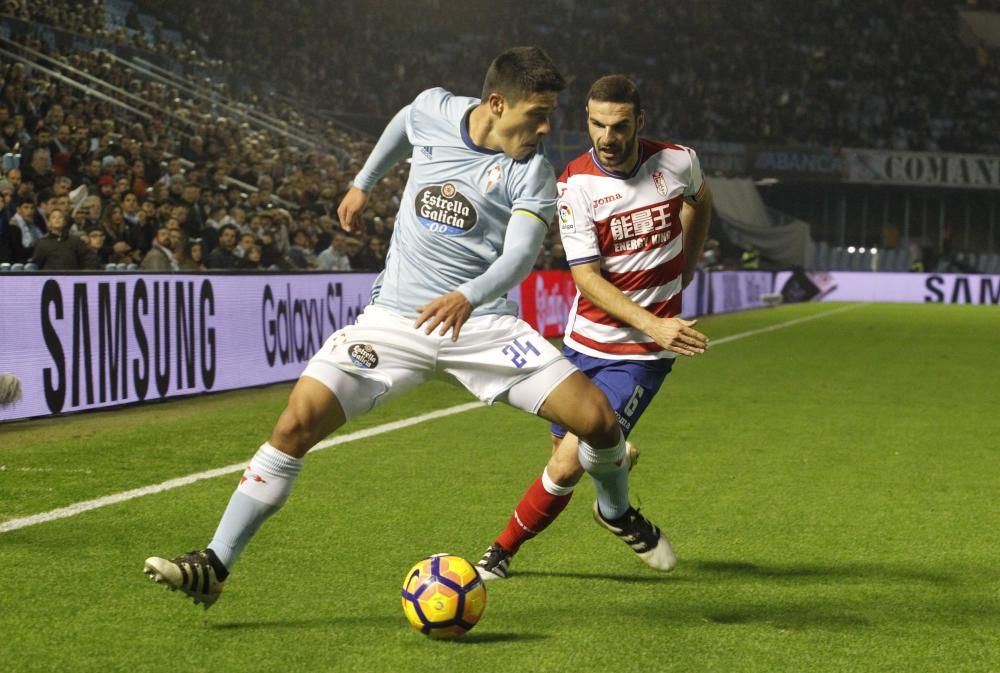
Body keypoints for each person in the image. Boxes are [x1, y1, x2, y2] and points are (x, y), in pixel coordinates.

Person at [144, 47, 680, 609]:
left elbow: (520, 256)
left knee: (597, 421)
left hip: (483, 326)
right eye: (536, 114)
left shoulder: (533, 171)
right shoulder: (435, 111)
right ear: (496, 104)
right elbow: (404, 121)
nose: (547, 128)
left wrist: (467, 296)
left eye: (550, 115)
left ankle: (615, 510)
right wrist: (363, 182)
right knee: (294, 423)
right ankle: (214, 564)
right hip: (394, 322)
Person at [475, 74, 713, 580]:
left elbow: (701, 201)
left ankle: (500, 553)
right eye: (597, 124)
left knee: (568, 461)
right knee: (580, 452)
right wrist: (658, 319)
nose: (607, 136)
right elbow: (586, 277)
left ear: (639, 123)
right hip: (583, 342)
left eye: (619, 125)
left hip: (642, 354)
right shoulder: (575, 185)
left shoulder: (678, 161)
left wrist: (682, 272)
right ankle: (615, 500)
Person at [30, 208, 100, 270]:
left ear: (64, 222)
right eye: (54, 217)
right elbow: (35, 265)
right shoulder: (42, 243)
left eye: (60, 217)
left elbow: (90, 259)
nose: (57, 219)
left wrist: (86, 273)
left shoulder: (75, 241)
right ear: (49, 223)